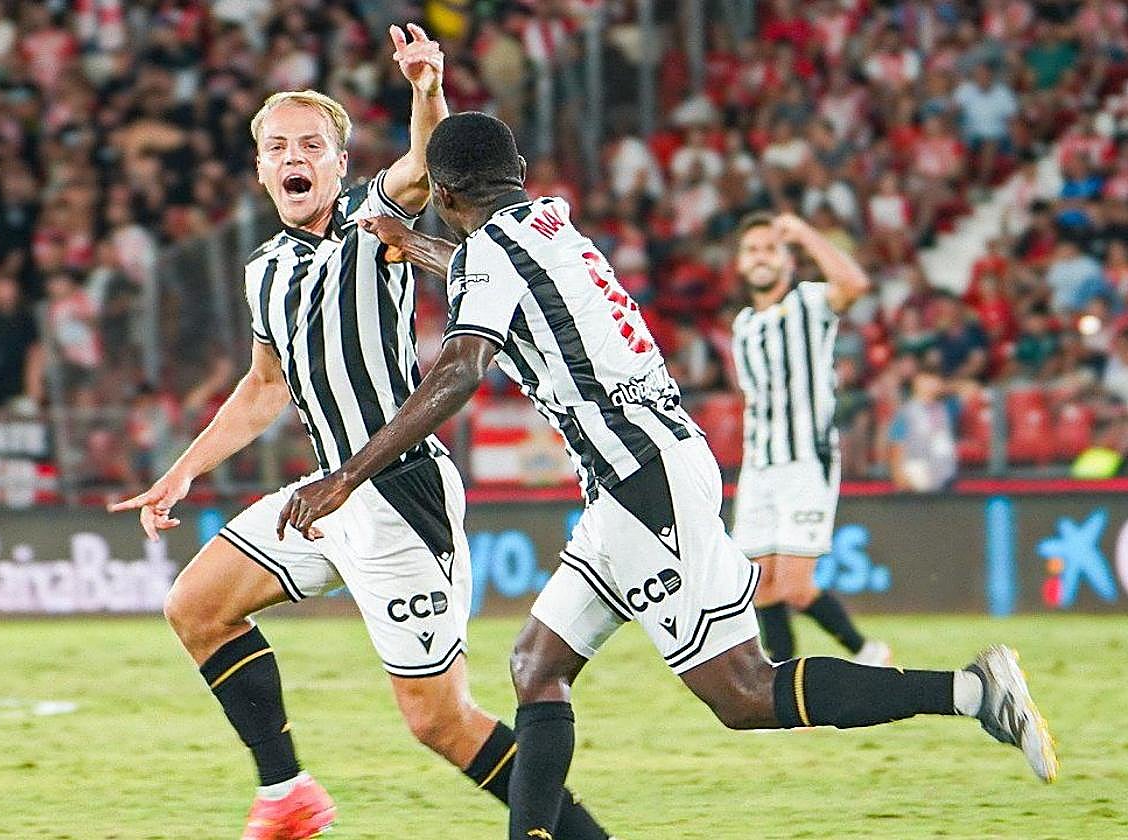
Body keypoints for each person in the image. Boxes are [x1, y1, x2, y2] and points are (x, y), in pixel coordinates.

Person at [278, 112, 1058, 840]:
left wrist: (345, 476)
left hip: (645, 481)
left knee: (745, 694)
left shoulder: (491, 255)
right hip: (633, 482)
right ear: (514, 172)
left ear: (443, 196)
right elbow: (491, 274)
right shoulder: (550, 222)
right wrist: (416, 247)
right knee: (536, 666)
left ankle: (973, 692)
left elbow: (457, 370)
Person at [108, 32, 611, 840]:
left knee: (439, 723)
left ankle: (583, 837)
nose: (292, 156)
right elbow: (263, 387)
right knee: (198, 605)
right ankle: (287, 794)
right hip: (326, 493)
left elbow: (423, 159)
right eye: (277, 147)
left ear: (340, 163)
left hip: (399, 493)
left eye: (312, 144)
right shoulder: (262, 269)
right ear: (262, 169)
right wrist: (182, 473)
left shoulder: (373, 217)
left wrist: (425, 88)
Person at [729, 210, 891, 667]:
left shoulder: (809, 303)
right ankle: (778, 684)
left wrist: (804, 233)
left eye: (770, 249)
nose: (760, 258)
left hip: (804, 462)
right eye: (752, 250)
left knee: (795, 588)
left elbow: (855, 284)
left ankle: (867, 652)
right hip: (759, 466)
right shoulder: (743, 325)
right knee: (758, 586)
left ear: (788, 261)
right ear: (741, 264)